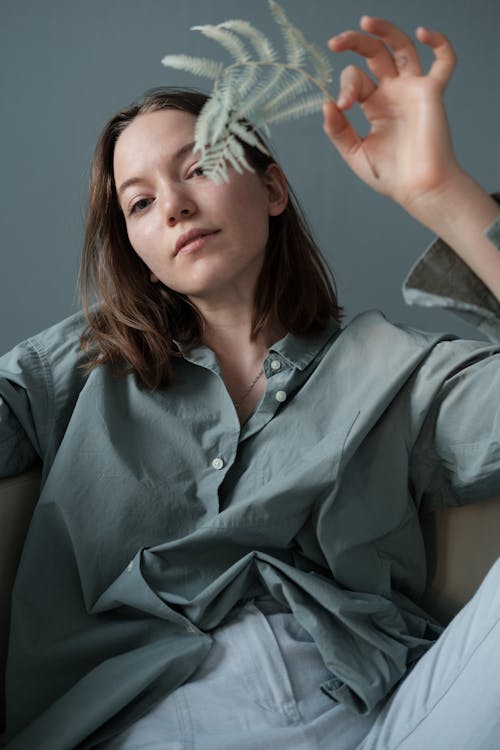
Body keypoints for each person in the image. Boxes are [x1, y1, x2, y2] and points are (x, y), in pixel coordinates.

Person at [2, 15, 500, 750]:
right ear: (138, 251)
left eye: (198, 165)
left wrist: (442, 194)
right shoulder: (77, 366)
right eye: (139, 202)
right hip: (146, 722)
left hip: (385, 721)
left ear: (272, 188)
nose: (171, 204)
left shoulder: (397, 370)